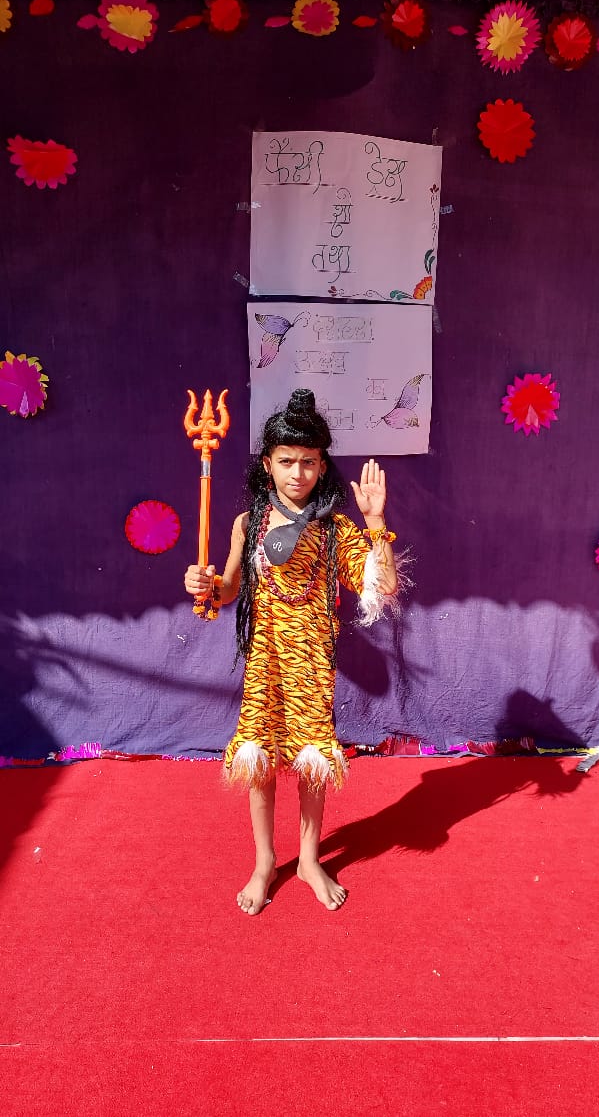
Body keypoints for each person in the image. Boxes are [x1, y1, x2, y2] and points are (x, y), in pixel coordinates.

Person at [184, 389, 400, 915]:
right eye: (286, 461)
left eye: (308, 462)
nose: (297, 473)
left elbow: (383, 586)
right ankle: (264, 860)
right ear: (268, 464)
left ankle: (308, 859)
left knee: (312, 758)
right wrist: (208, 585)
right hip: (266, 660)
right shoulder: (248, 523)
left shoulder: (335, 529)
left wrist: (376, 524)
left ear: (322, 466)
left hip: (311, 661)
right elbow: (230, 588)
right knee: (258, 756)